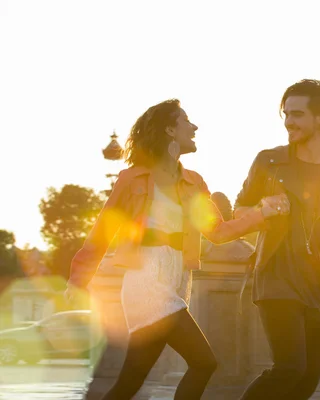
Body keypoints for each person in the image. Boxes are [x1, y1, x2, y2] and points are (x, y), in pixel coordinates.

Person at [64, 99, 287, 400]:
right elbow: (103, 232)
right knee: (204, 362)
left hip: (177, 279)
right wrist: (79, 278)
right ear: (169, 129)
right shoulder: (133, 178)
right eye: (186, 121)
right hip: (145, 278)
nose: (194, 127)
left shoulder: (194, 183)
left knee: (130, 381)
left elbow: (217, 232)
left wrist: (262, 216)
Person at [234, 79, 320, 399]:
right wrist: (262, 209)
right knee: (289, 367)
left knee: (309, 374)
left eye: (298, 114)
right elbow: (239, 211)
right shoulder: (269, 161)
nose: (289, 122)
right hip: (277, 275)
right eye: (286, 114)